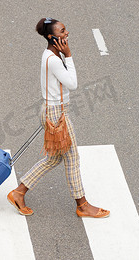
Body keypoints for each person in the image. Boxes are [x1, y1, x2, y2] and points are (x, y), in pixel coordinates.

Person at [7, 17, 110, 218]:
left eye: (65, 30)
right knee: (72, 158)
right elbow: (72, 84)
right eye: (62, 31)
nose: (66, 34)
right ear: (51, 37)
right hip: (56, 114)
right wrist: (69, 56)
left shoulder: (50, 54)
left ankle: (19, 192)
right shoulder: (54, 60)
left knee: (53, 159)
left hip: (53, 110)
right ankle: (82, 205)